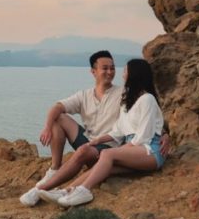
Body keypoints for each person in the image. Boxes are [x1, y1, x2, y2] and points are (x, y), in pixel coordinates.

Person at [40, 58, 167, 207]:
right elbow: (118, 130)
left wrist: (121, 150)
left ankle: (84, 190)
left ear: (134, 74)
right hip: (134, 149)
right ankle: (66, 191)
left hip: (150, 150)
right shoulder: (128, 101)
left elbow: (144, 136)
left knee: (107, 154)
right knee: (102, 166)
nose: (122, 75)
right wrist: (98, 140)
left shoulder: (147, 99)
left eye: (125, 71)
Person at [18, 50, 122, 206]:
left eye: (112, 68)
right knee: (58, 118)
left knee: (83, 150)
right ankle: (54, 170)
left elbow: (142, 113)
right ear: (93, 71)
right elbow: (57, 107)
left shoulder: (122, 94)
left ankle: (40, 189)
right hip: (89, 142)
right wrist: (47, 127)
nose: (110, 72)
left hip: (108, 148)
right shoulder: (85, 95)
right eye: (105, 68)